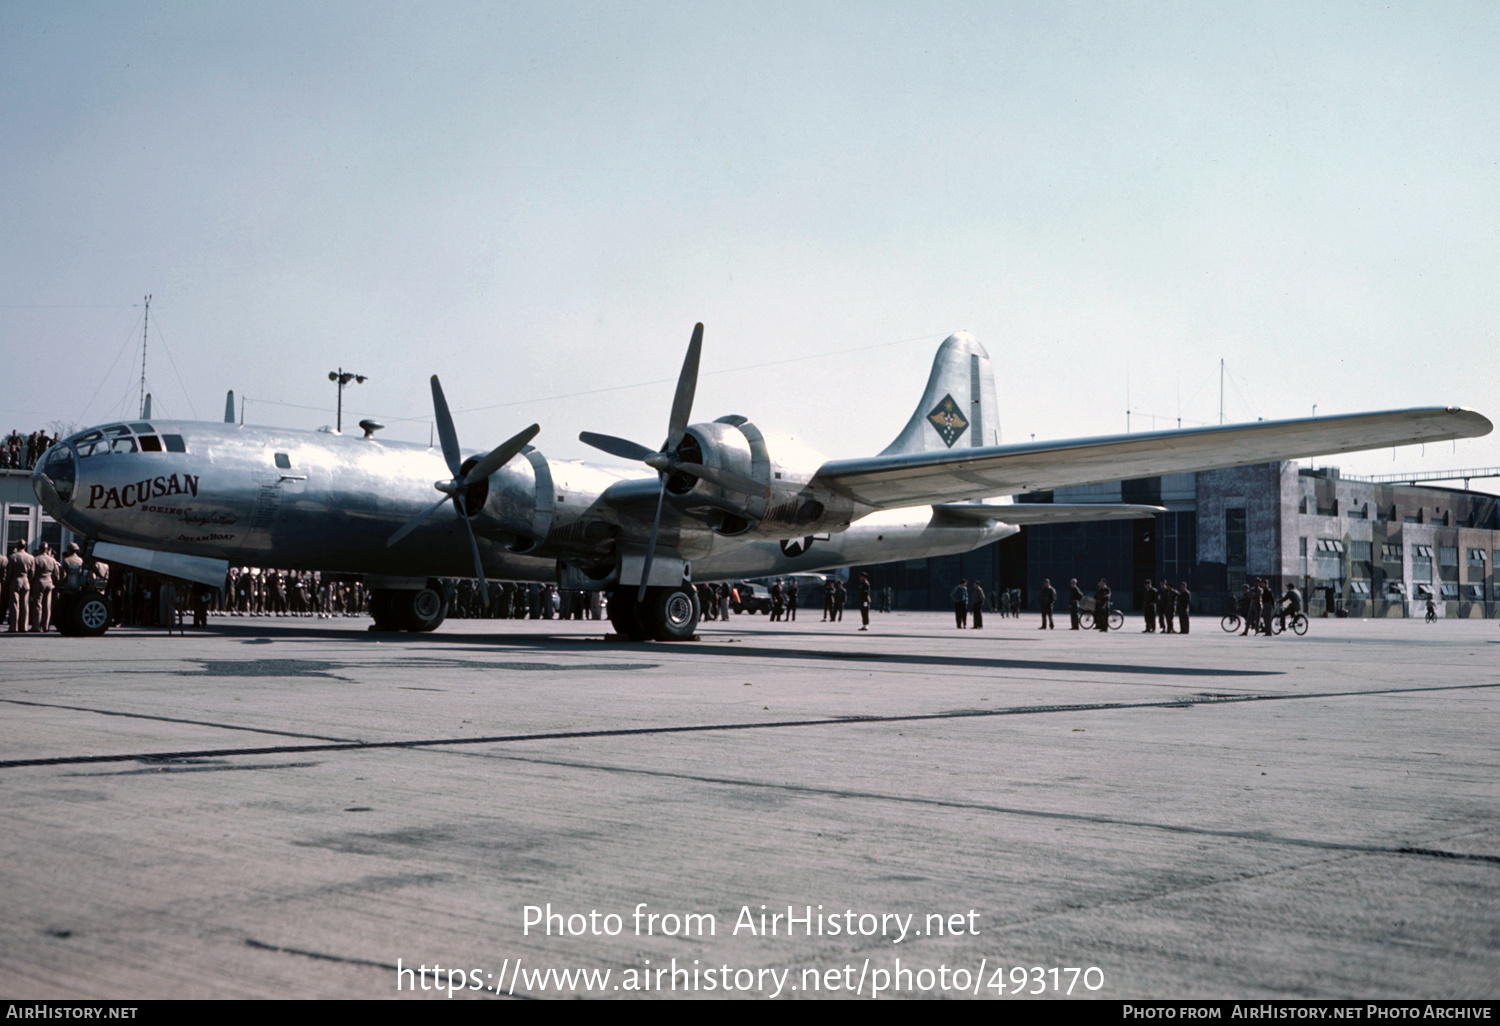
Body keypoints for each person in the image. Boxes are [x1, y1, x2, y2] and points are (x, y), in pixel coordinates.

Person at [30, 542, 59, 633]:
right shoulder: (52, 560)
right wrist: (52, 581)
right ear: (47, 549)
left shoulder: (36, 559)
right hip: (49, 583)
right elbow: (56, 574)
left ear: (39, 548)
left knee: (38, 605)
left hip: (39, 582)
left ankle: (36, 626)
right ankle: (46, 626)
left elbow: (32, 573)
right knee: (47, 606)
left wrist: (31, 582)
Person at [8, 542, 35, 633]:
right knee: (25, 605)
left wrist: (8, 582)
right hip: (26, 581)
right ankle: (24, 627)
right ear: (25, 546)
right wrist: (28, 580)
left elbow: (9, 572)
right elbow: (32, 573)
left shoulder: (13, 557)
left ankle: (13, 627)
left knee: (15, 605)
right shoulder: (31, 557)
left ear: (17, 546)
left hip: (15, 580)